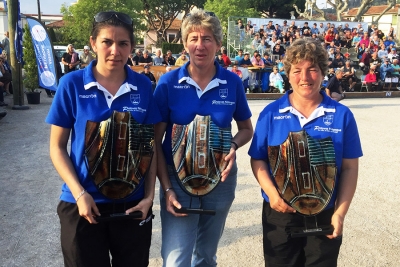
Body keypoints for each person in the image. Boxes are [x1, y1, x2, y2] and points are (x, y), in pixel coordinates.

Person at [45, 11, 161, 266]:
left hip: (132, 206)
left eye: (123, 44)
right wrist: (79, 194)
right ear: (94, 43)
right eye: (107, 42)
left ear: (132, 46)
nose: (115, 51)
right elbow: (56, 147)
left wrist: (149, 197)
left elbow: (149, 148)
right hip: (82, 205)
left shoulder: (143, 86)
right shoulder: (71, 84)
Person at [249, 38, 362, 267]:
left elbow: (350, 168)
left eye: (312, 69)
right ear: (288, 74)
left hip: (325, 211)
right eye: (297, 70)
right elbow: (258, 159)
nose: (304, 77)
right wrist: (272, 194)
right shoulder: (270, 113)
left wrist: (340, 213)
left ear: (323, 73)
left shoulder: (342, 115)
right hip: (280, 212)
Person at [154, 9, 253, 267]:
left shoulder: (232, 83)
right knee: (176, 259)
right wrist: (165, 188)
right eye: (194, 38)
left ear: (218, 44)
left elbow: (246, 129)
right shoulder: (167, 83)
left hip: (220, 181)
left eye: (207, 38)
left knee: (206, 257)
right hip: (176, 181)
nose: (200, 45)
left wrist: (233, 145)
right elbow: (154, 142)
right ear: (185, 43)